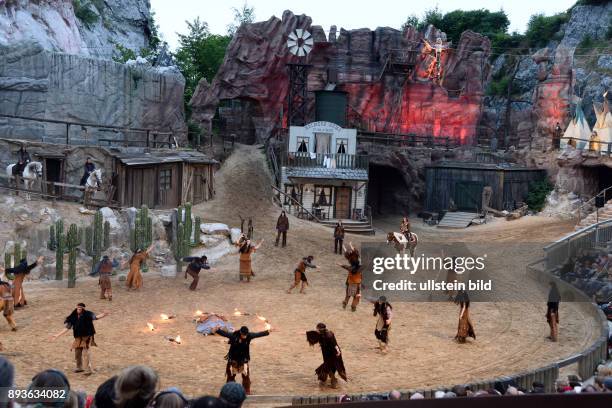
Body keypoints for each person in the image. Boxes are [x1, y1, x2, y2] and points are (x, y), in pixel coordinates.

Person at [51, 303, 109, 375]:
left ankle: (88, 369)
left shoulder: (88, 314)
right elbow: (67, 328)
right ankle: (79, 367)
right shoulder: (73, 316)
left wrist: (104, 314)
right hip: (78, 337)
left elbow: (95, 317)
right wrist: (57, 335)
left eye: (80, 308)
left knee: (85, 352)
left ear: (83, 309)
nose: (78, 310)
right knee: (77, 352)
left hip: (87, 336)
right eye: (78, 308)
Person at [215, 325, 271, 395]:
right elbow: (225, 334)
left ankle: (246, 391)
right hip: (233, 360)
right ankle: (229, 391)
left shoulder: (249, 335)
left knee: (246, 377)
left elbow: (258, 334)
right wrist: (217, 330)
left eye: (246, 335)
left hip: (243, 360)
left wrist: (267, 332)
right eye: (243, 335)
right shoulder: (233, 335)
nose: (244, 336)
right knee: (230, 377)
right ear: (240, 333)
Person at [306, 323, 347, 389]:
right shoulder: (320, 335)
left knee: (334, 369)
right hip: (326, 354)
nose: (317, 331)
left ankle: (334, 380)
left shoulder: (329, 336)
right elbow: (314, 339)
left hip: (333, 355)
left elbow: (335, 346)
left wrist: (337, 356)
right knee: (328, 369)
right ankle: (332, 380)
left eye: (318, 329)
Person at [338, 243, 362, 311]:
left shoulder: (350, 268)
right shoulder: (360, 269)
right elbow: (356, 252)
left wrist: (341, 265)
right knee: (356, 296)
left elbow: (346, 266)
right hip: (356, 284)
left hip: (350, 282)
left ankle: (345, 303)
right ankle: (353, 307)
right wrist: (351, 246)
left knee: (348, 295)